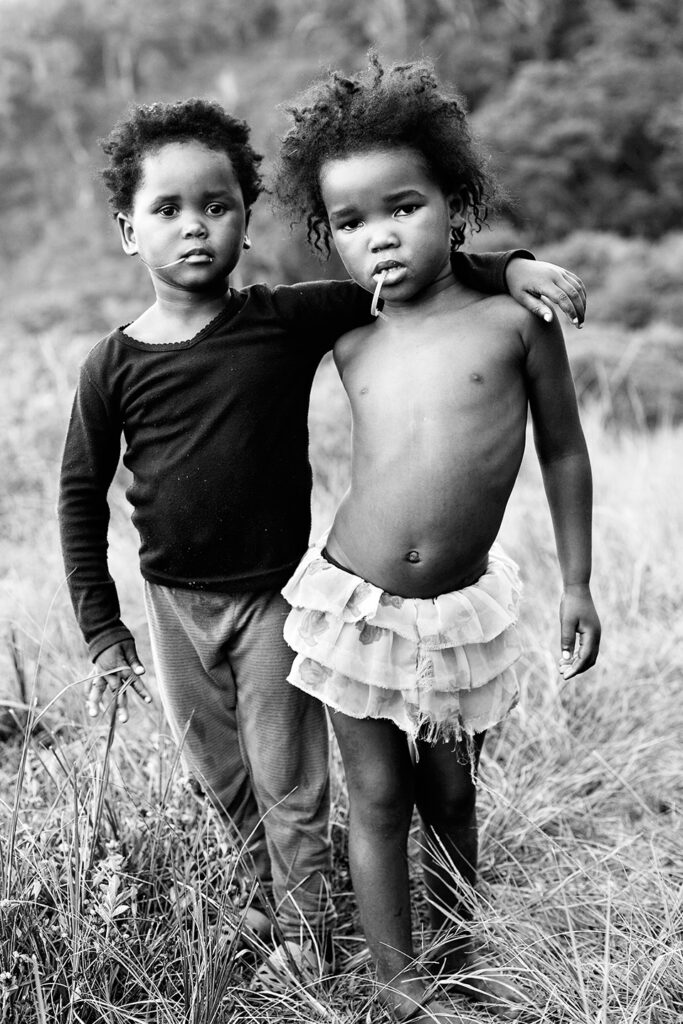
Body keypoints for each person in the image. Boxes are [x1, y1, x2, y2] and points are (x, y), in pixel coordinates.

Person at [58, 97, 588, 966]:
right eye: (167, 210)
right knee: (234, 776)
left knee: (344, 785)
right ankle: (288, 910)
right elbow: (79, 492)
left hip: (291, 596)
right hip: (208, 601)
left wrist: (513, 267)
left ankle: (324, 937)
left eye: (217, 206)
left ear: (247, 220)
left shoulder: (287, 317)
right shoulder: (123, 362)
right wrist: (98, 621)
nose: (194, 228)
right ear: (128, 230)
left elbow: (433, 278)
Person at [274, 55, 601, 1019]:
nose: (379, 236)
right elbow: (229, 329)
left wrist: (576, 584)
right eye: (350, 221)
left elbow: (567, 454)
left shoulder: (514, 320)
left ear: (453, 203)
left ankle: (459, 954)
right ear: (327, 237)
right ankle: (399, 982)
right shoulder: (343, 333)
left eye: (402, 206)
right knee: (375, 798)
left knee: (450, 795)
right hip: (354, 605)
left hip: (460, 614)